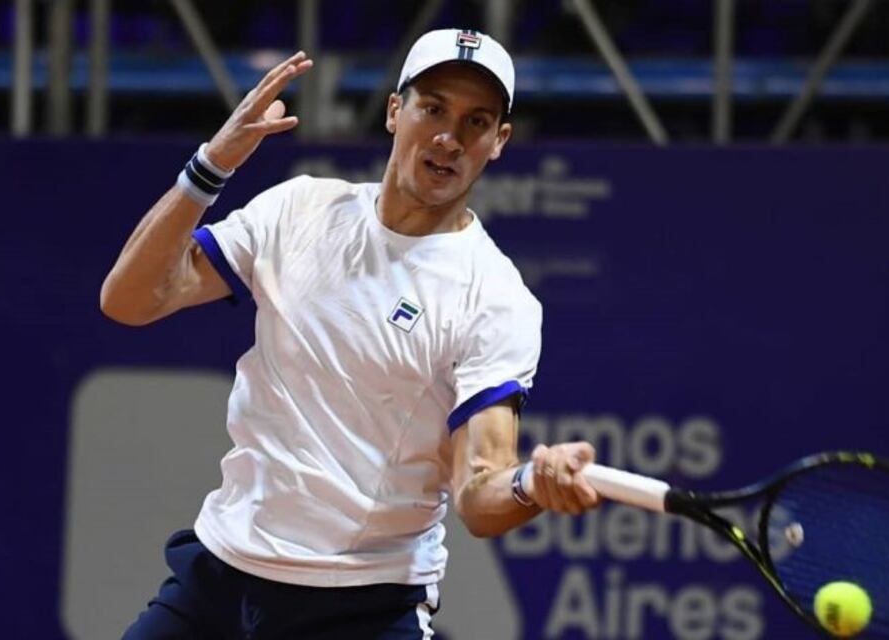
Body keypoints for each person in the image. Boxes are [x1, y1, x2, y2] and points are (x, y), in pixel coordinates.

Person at [101, 28, 601, 639]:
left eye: (476, 121)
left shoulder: (494, 296)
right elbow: (130, 299)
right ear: (396, 111)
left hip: (360, 606)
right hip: (220, 575)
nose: (449, 137)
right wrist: (211, 166)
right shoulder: (300, 209)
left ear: (498, 142)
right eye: (433, 108)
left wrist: (529, 484)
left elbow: (478, 493)